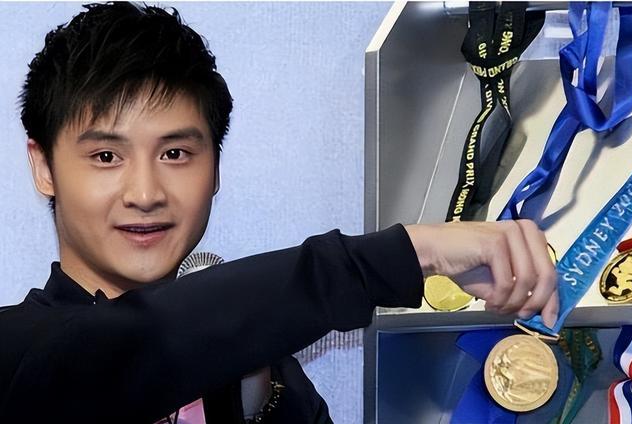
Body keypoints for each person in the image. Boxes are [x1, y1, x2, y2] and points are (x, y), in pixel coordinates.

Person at [0, 2, 558, 423]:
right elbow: (134, 348)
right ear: (43, 166)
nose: (145, 193)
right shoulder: (16, 350)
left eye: (176, 154)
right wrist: (409, 252)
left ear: (216, 167)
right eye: (106, 156)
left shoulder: (268, 372)